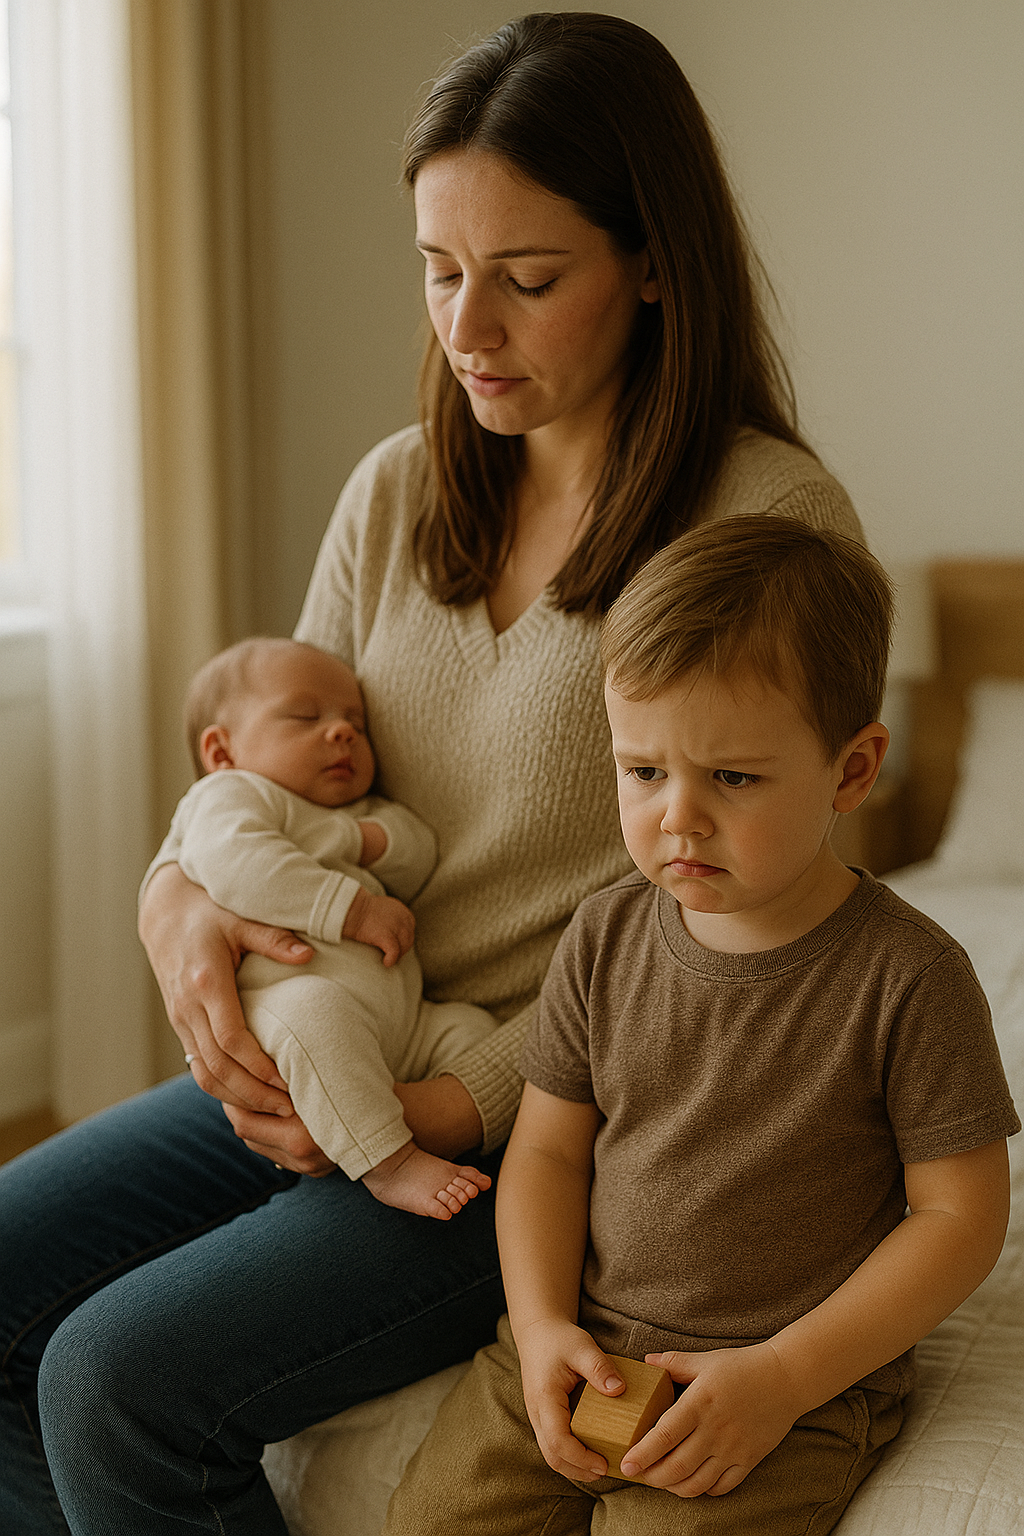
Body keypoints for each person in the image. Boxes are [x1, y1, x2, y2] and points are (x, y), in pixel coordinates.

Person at [0, 14, 871, 1533]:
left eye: (528, 281)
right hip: (336, 1052)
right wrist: (175, 903)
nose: (468, 327)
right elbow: (275, 767)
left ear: (655, 262)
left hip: (556, 1128)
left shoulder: (761, 521)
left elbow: (741, 942)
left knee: (109, 1380)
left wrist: (458, 1099)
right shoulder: (399, 489)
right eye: (438, 268)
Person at [383, 517, 1019, 1536]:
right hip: (581, 1345)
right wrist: (542, 1328)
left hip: (787, 1386)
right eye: (643, 772)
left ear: (851, 773)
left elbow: (960, 1218)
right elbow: (547, 1152)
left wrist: (783, 1375)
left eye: (731, 777)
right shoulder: (601, 936)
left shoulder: (910, 977)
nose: (677, 817)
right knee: (426, 1521)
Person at [170, 635, 496, 1218]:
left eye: (357, 722)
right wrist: (354, 907)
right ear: (221, 750)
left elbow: (418, 852)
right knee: (320, 1019)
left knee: (472, 1031)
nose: (342, 731)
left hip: (404, 1022)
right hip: (289, 1001)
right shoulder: (231, 795)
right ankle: (390, 1164)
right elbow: (239, 864)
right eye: (305, 717)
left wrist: (356, 834)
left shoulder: (357, 812)